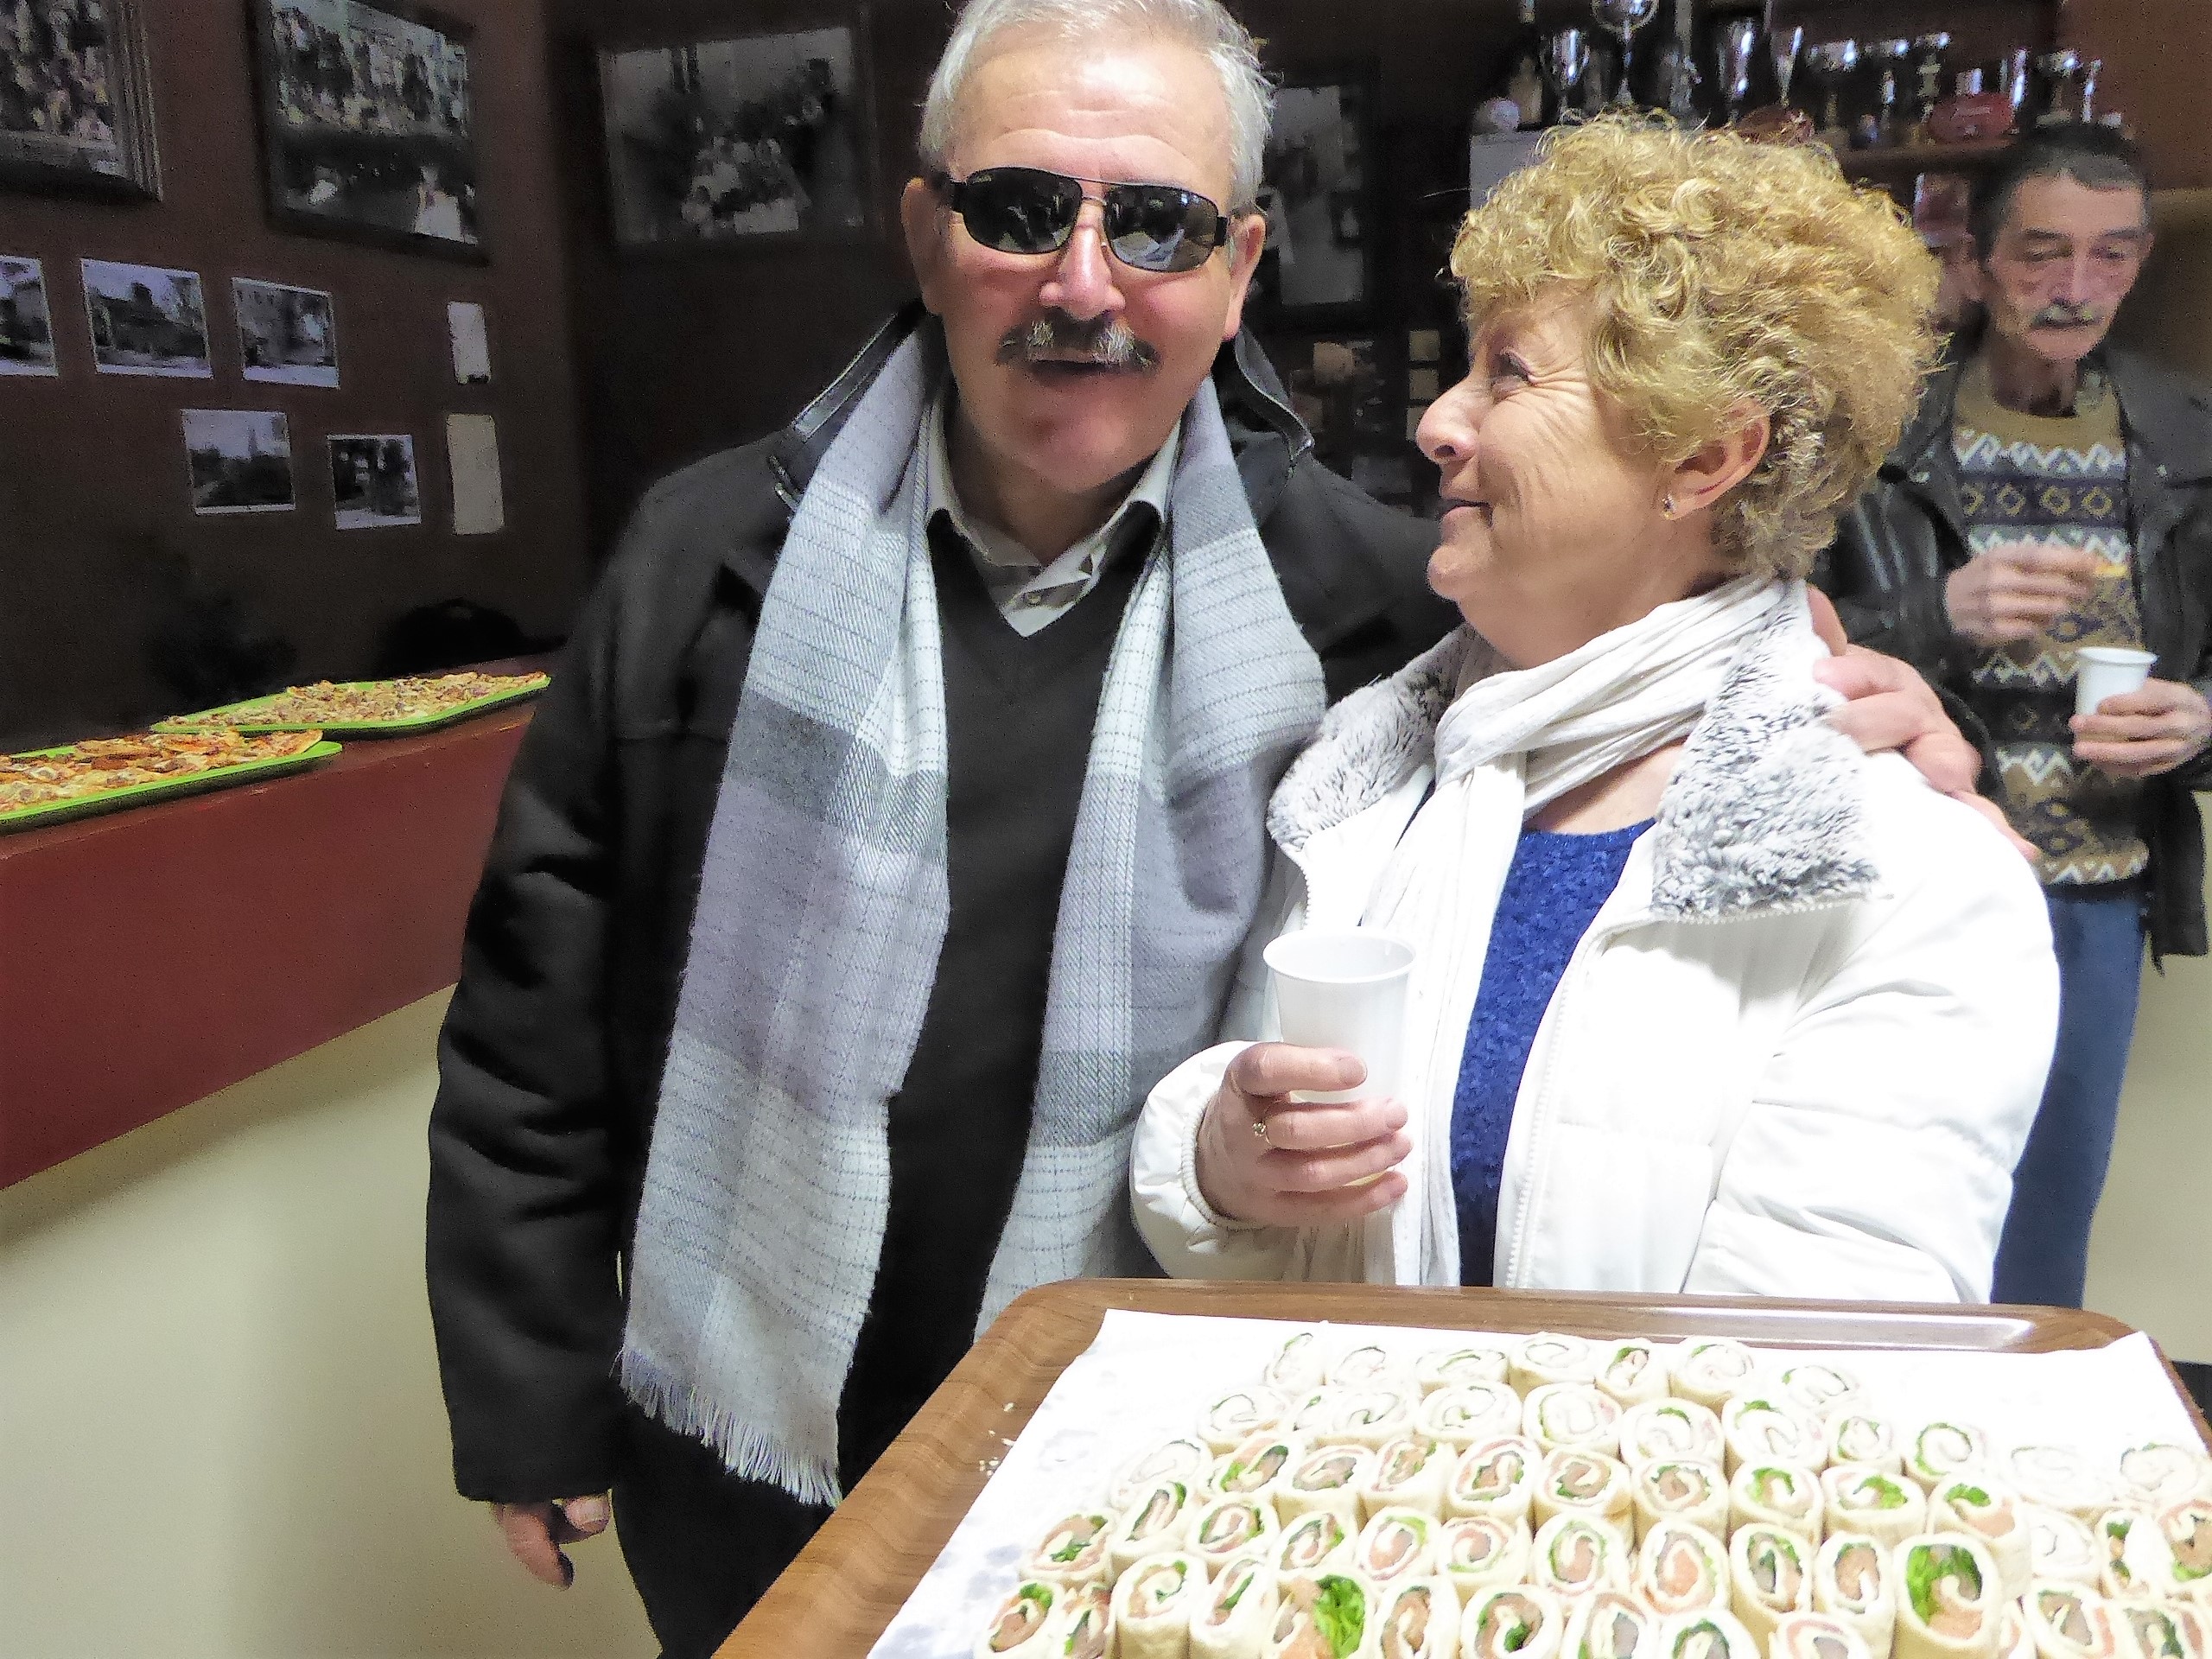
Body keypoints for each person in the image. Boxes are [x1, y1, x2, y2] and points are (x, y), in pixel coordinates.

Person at [425, 8, 1983, 1653]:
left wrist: (1846, 705)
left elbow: (1656, 654)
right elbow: (538, 1001)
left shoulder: (1384, 611)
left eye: (1157, 225)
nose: (1083, 284)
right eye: (1020, 209)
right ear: (928, 234)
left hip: (1151, 1449)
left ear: (1239, 267)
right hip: (749, 1424)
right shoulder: (702, 559)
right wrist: (526, 1389)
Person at [1133, 118, 2057, 1300]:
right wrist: (1215, 1167)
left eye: (1509, 373)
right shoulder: (1358, 787)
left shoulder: (1907, 876)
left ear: (1704, 457)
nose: (1438, 423)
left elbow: (1812, 1362)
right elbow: (1238, 1191)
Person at [1814, 124, 2212, 1308]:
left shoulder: (2188, 440)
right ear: (1979, 262)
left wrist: (2201, 717)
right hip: (1905, 875)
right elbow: (1770, 639)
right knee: (1872, 1198)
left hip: (2094, 890)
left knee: (2045, 1219)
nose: (2076, 286)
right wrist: (1935, 613)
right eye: (2042, 252)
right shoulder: (1876, 430)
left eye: (2111, 254)